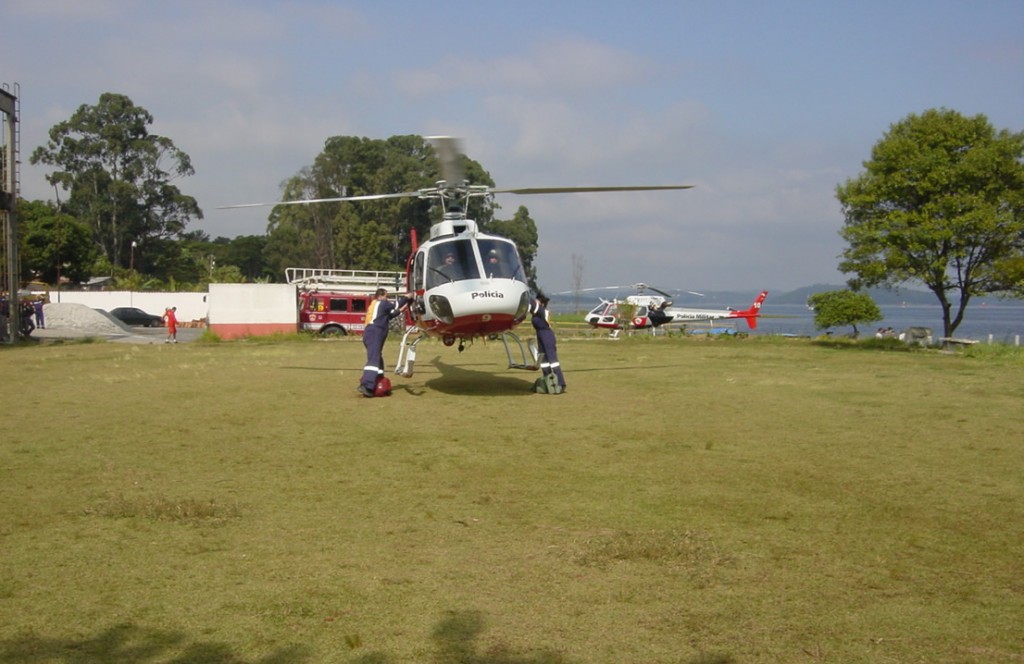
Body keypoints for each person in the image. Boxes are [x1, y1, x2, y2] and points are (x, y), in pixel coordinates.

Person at [358, 288, 413, 398]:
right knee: (373, 359)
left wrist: (401, 310)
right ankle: (367, 385)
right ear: (381, 296)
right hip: (375, 333)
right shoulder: (382, 303)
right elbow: (396, 304)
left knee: (378, 357)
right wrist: (407, 297)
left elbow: (389, 316)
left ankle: (379, 377)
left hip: (371, 333)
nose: (387, 299)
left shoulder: (376, 306)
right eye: (386, 296)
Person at [529, 293, 566, 394]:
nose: (535, 302)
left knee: (553, 360)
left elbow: (532, 304)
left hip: (547, 335)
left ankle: (561, 383)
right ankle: (548, 380)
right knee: (543, 361)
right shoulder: (537, 312)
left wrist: (525, 295)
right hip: (540, 335)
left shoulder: (542, 311)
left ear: (542, 303)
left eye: (537, 301)